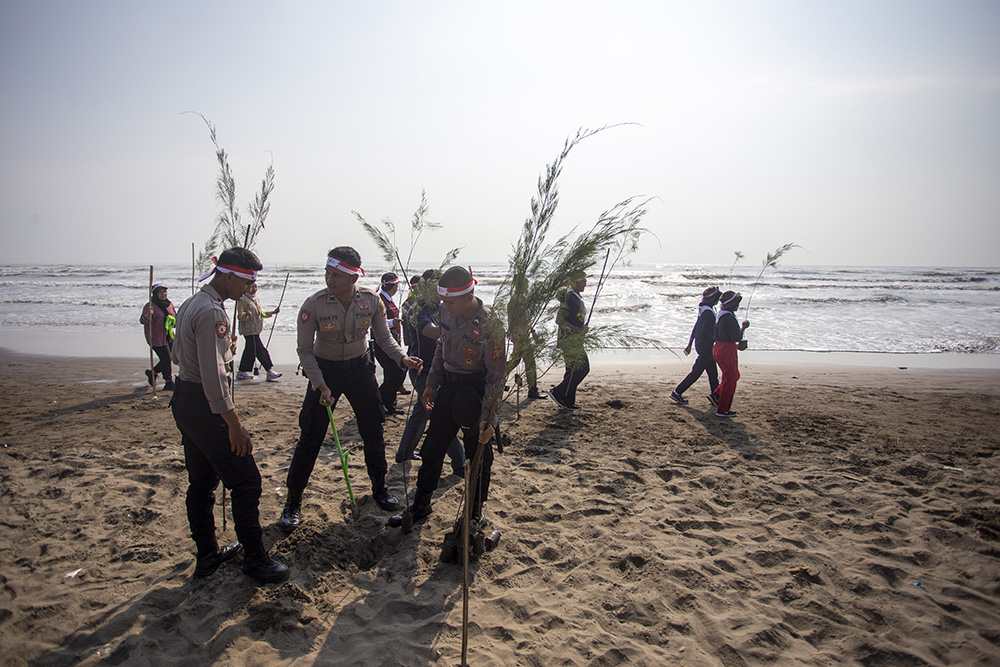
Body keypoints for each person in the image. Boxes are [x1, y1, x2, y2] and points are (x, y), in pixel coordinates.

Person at [278, 247, 423, 531]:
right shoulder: (313, 305)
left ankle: (380, 489)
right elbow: (304, 351)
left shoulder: (371, 301)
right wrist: (319, 384)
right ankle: (293, 502)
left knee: (373, 431)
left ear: (352, 276)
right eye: (327, 273)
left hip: (360, 370)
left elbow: (384, 338)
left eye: (336, 275)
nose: (329, 279)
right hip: (324, 373)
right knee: (310, 438)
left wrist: (402, 358)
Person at [169, 248, 290, 584]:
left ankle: (207, 555)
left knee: (203, 483)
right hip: (206, 407)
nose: (250, 289)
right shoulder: (212, 313)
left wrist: (223, 351)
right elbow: (213, 380)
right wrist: (234, 425)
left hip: (185, 400)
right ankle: (255, 559)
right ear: (228, 276)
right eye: (248, 281)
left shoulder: (194, 302)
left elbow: (181, 354)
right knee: (246, 481)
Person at [410, 266, 505, 527]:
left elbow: (496, 377)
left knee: (479, 456)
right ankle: (421, 505)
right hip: (448, 389)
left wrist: (488, 417)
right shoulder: (445, 312)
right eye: (443, 302)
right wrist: (431, 384)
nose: (445, 307)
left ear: (469, 296)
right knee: (433, 448)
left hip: (475, 392)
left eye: (450, 302)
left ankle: (474, 513)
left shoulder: (490, 325)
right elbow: (441, 349)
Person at [394, 269, 465, 476]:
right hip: (422, 369)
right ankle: (460, 464)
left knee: (421, 412)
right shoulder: (417, 311)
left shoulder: (442, 307)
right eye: (437, 288)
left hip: (440, 367)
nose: (442, 293)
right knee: (441, 417)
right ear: (425, 288)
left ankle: (404, 453)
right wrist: (454, 323)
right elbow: (434, 333)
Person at [670, 286, 721, 406]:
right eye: (717, 298)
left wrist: (690, 343)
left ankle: (716, 396)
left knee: (712, 373)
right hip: (705, 346)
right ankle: (677, 392)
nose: (718, 300)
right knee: (696, 373)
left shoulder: (704, 309)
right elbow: (703, 331)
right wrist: (716, 339)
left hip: (701, 344)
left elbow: (696, 327)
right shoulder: (708, 312)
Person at [549, 272, 589, 411]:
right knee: (583, 368)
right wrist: (576, 330)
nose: (585, 283)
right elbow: (559, 320)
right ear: (576, 282)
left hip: (574, 339)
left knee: (572, 370)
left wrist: (581, 328)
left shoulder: (575, 297)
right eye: (583, 280)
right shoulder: (569, 297)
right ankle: (558, 391)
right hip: (570, 340)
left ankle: (568, 401)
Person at [372, 272, 407, 415]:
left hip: (393, 341)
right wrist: (393, 322)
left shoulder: (389, 300)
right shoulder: (379, 301)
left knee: (391, 373)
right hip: (382, 343)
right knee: (398, 372)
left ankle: (389, 405)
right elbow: (374, 322)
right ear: (395, 286)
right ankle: (378, 399)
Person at [713, 290, 750, 418]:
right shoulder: (729, 317)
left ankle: (717, 394)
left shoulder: (721, 314)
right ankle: (723, 409)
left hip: (718, 346)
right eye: (736, 303)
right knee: (730, 379)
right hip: (727, 349)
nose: (738, 306)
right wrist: (743, 328)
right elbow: (735, 336)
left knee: (733, 376)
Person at [235, 282, 282, 382]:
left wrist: (272, 312)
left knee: (250, 350)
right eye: (252, 287)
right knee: (260, 349)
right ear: (247, 288)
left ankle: (242, 371)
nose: (254, 288)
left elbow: (261, 313)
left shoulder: (256, 299)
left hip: (256, 329)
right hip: (248, 330)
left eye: (255, 286)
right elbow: (240, 316)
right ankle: (269, 370)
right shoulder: (242, 300)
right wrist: (246, 314)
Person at [140, 283, 176, 391]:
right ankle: (168, 382)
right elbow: (142, 320)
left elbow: (175, 316)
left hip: (168, 335)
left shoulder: (169, 304)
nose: (163, 294)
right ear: (155, 294)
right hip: (156, 337)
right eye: (160, 292)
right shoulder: (150, 306)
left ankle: (153, 372)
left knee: (173, 356)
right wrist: (148, 315)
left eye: (164, 292)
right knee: (166, 358)